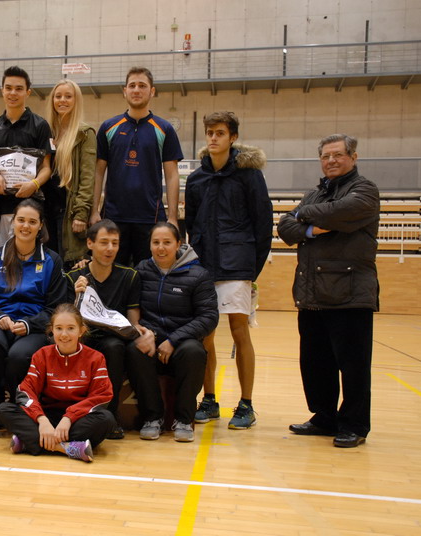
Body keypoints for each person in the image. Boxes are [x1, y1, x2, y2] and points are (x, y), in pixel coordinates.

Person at [277, 134, 380, 449]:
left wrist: (303, 215)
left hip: (350, 294)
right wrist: (310, 227)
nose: (331, 161)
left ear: (353, 157)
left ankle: (354, 425)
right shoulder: (315, 193)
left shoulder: (365, 190)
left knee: (353, 365)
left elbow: (343, 212)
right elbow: (285, 228)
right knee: (315, 363)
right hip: (311, 293)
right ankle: (324, 418)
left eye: (338, 155)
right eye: (326, 156)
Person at [184, 111, 273, 430]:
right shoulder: (196, 179)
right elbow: (191, 225)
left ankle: (246, 404)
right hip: (204, 266)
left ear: (233, 137)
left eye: (220, 133)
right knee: (205, 335)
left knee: (239, 331)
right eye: (209, 132)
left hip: (238, 265)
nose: (213, 138)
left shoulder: (249, 175)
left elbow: (263, 224)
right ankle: (209, 400)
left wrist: (251, 269)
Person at [0, 199, 67, 439]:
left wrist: (29, 324)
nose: (26, 226)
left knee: (19, 356)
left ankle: (17, 413)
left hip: (34, 324)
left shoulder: (52, 260)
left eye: (32, 222)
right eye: (21, 220)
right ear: (13, 222)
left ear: (40, 225)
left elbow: (55, 307)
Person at [125, 223, 219, 442]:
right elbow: (130, 306)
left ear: (178, 244)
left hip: (181, 344)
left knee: (194, 351)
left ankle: (184, 419)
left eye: (167, 242)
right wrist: (144, 332)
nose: (161, 248)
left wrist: (174, 340)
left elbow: (208, 317)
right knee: (135, 349)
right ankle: (152, 417)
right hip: (153, 340)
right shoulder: (141, 271)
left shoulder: (199, 275)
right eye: (156, 242)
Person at [0, 304, 116, 463]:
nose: (64, 334)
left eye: (70, 328)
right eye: (59, 328)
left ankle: (30, 442)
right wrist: (41, 420)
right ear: (51, 330)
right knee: (3, 409)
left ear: (81, 331)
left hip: (77, 420)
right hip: (47, 418)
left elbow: (102, 396)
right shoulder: (42, 355)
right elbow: (26, 391)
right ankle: (67, 448)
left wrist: (69, 417)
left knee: (107, 419)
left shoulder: (96, 358)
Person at [90, 67, 183, 266]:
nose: (137, 90)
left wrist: (173, 218)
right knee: (114, 273)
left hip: (151, 217)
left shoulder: (164, 129)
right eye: (132, 85)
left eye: (142, 85)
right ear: (125, 91)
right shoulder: (108, 127)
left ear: (152, 91)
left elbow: (172, 175)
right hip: (114, 217)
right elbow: (98, 172)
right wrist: (94, 210)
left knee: (148, 275)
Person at [65, 219, 149, 439]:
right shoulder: (74, 277)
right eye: (104, 242)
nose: (110, 248)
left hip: (113, 339)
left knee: (114, 347)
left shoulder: (129, 276)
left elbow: (133, 320)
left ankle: (109, 417)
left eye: (115, 243)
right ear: (90, 243)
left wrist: (141, 331)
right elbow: (67, 322)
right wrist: (77, 297)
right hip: (82, 337)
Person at [0, 66, 54, 249]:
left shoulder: (40, 125)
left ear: (28, 92)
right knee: (0, 258)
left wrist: (34, 184)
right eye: (8, 88)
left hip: (30, 208)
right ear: (2, 90)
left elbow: (46, 168)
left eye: (19, 89)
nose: (13, 93)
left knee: (27, 257)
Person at [44, 79, 95, 266]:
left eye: (68, 96)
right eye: (58, 96)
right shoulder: (46, 132)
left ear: (76, 100)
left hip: (68, 210)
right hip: (45, 209)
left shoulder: (85, 134)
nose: (62, 100)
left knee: (69, 264)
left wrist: (81, 213)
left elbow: (88, 177)